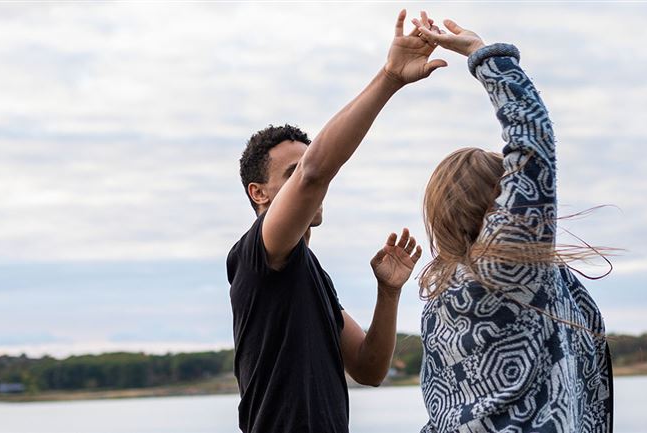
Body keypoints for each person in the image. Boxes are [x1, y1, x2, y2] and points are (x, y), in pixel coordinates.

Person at [226, 9, 442, 433]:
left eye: (306, 166)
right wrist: (391, 79)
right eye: (290, 174)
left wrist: (388, 292)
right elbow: (314, 174)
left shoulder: (311, 275)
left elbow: (369, 369)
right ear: (259, 193)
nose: (309, 182)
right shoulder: (259, 255)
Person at [413, 15, 614, 433]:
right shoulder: (508, 268)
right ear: (497, 200)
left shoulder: (438, 299)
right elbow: (532, 143)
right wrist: (483, 55)